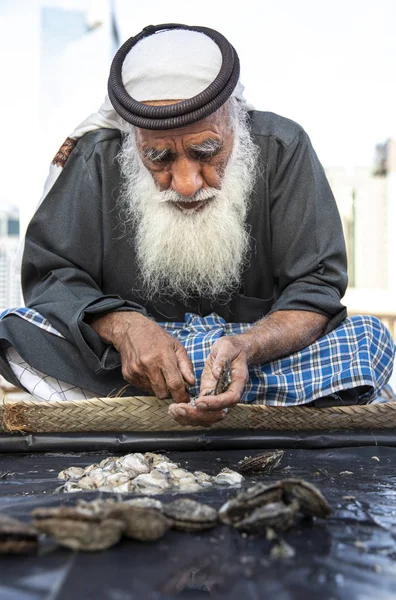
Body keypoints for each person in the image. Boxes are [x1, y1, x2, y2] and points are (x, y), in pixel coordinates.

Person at [0, 24, 394, 427]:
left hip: (258, 358)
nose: (186, 184)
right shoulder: (96, 158)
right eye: (159, 157)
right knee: (17, 332)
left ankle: (142, 413)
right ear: (134, 138)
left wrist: (247, 346)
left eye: (205, 151)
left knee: (365, 340)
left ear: (235, 120)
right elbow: (51, 275)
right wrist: (125, 327)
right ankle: (250, 411)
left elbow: (316, 287)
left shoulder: (283, 145)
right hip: (130, 364)